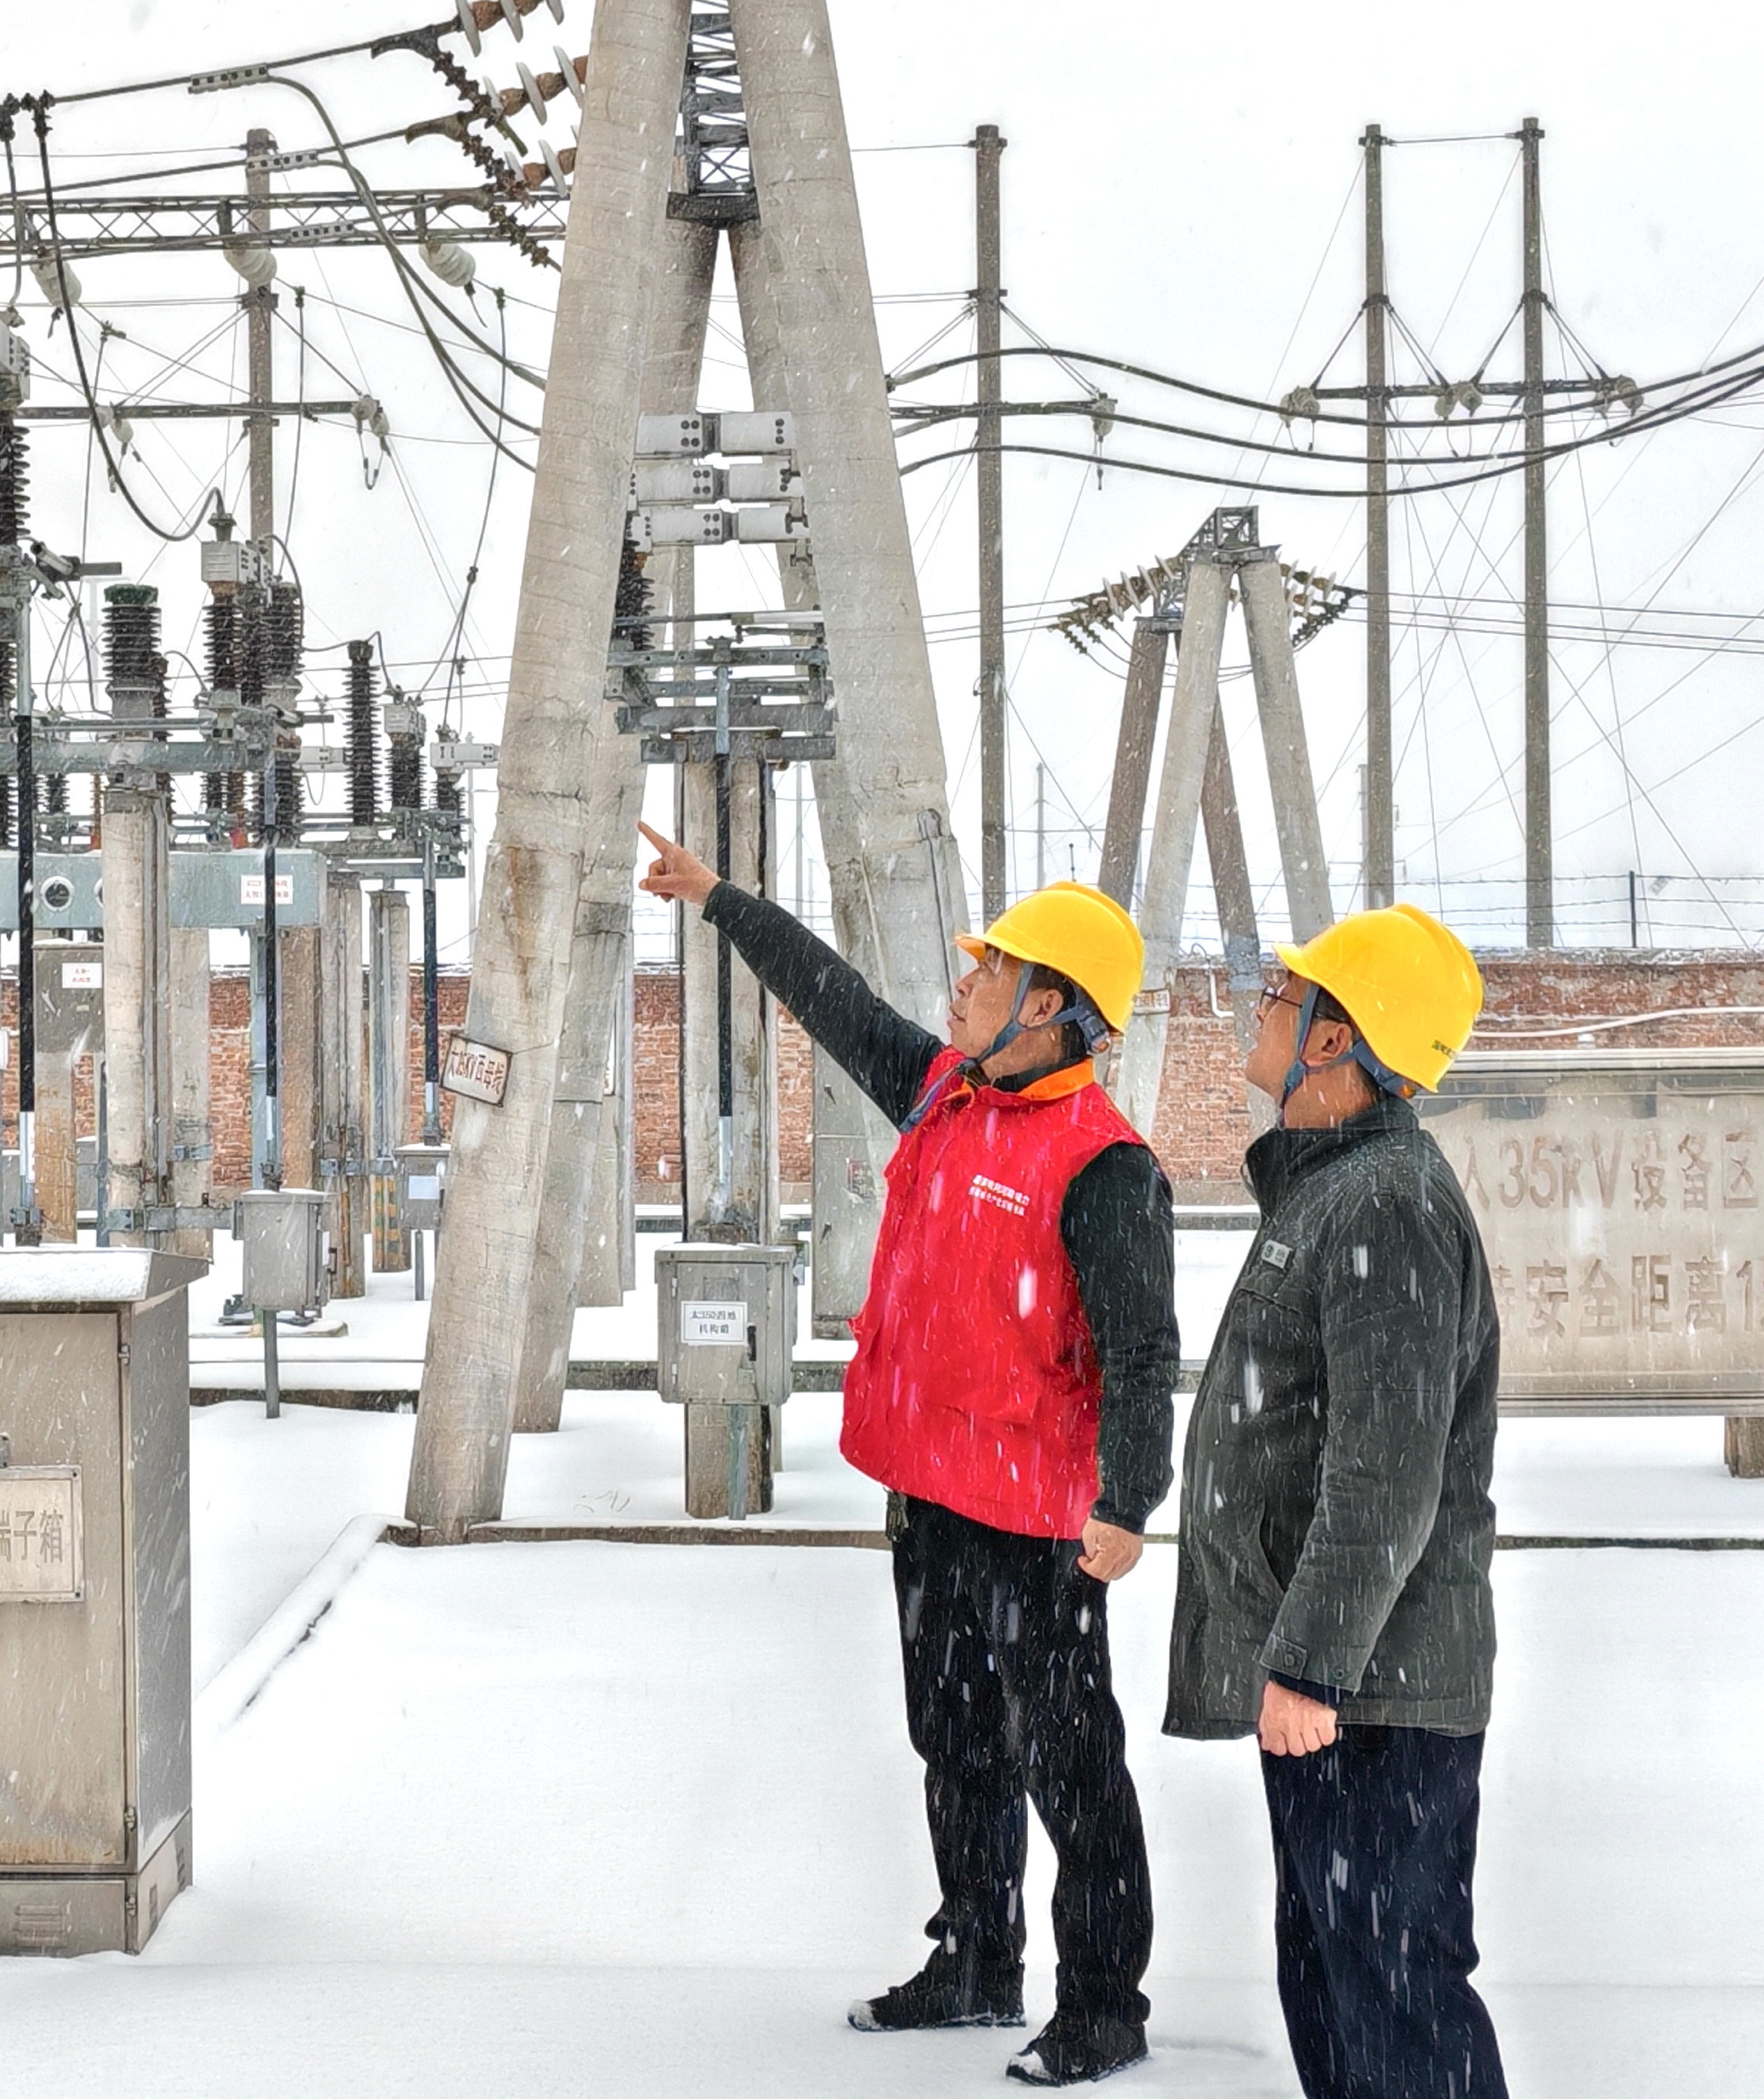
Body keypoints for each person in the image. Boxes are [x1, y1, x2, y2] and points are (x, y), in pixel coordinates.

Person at [639, 825, 1176, 2089]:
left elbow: (1145, 1352)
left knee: (1072, 1768)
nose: (965, 983)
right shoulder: (944, 1089)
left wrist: (1129, 1499)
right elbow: (835, 1000)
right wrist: (720, 899)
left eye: (991, 970)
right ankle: (978, 1958)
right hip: (929, 1495)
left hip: (1037, 1525)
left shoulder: (1103, 1165)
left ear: (1046, 1006)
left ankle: (1104, 2003)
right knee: (956, 1739)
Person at [1164, 904, 1506, 2099]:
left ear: (1332, 1038)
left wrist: (1311, 1666)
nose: (1261, 1003)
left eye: (1283, 990)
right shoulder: (1334, 1189)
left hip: (1373, 1693)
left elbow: (1384, 1471)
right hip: (1344, 1688)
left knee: (1394, 2000)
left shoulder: (1384, 1205)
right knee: (1338, 1983)